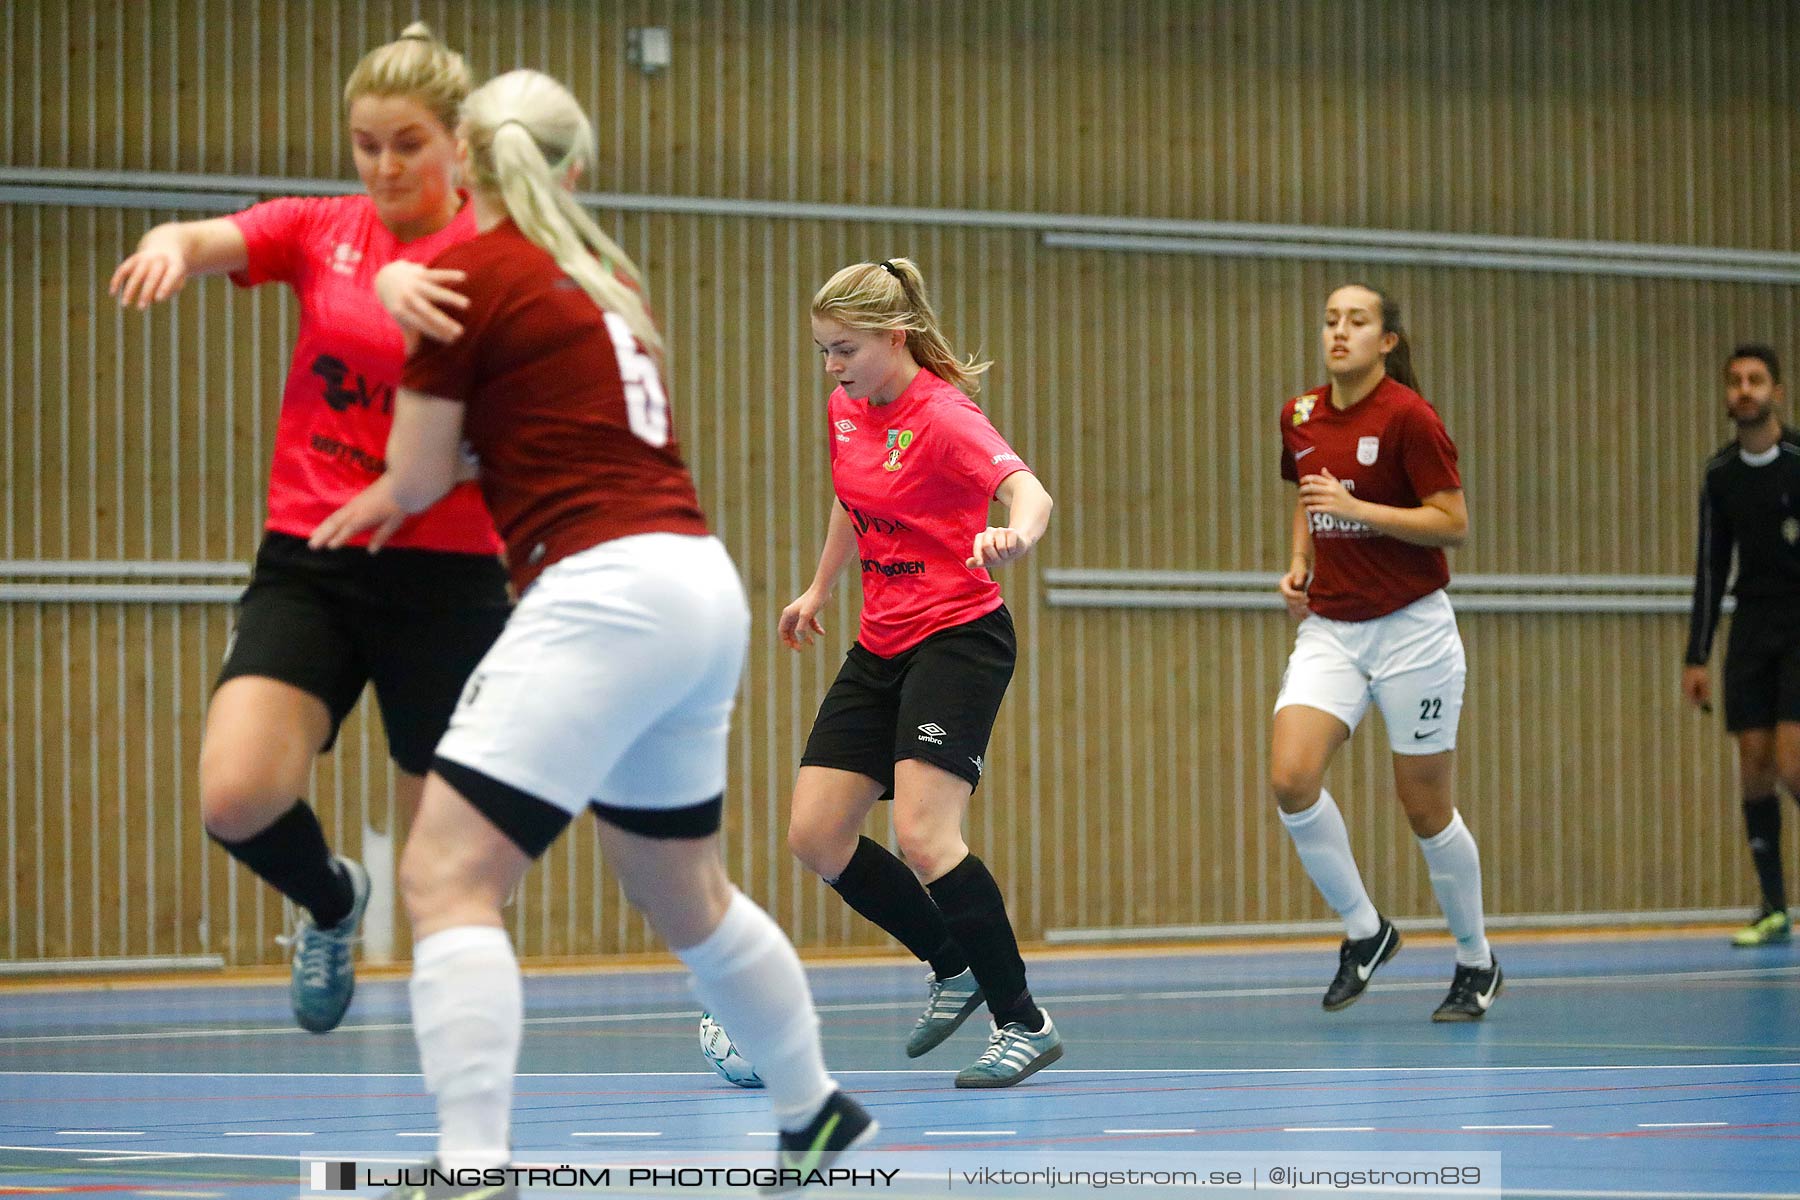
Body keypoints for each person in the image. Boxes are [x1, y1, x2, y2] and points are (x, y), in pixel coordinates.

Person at [310, 68, 874, 1190]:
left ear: (466, 161)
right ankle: (812, 1110)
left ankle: (472, 1165)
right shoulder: (607, 281)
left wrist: (379, 488)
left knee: (447, 876)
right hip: (696, 584)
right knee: (685, 893)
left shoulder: (464, 275)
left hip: (601, 589)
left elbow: (419, 472)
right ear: (576, 165)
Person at [106, 24, 509, 1034]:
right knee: (235, 797)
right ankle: (330, 901)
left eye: (407, 143)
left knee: (448, 878)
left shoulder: (501, 254)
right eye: (366, 143)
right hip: (314, 558)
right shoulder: (325, 229)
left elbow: (529, 413)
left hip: (449, 577)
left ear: (459, 143)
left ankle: (462, 1116)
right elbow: (209, 240)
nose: (383, 166)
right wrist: (168, 245)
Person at [781, 258, 1062, 1087]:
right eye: (825, 351)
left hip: (959, 638)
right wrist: (820, 584)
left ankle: (1025, 1020)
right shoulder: (848, 406)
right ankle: (953, 965)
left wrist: (1018, 534)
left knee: (925, 836)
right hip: (881, 642)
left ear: (893, 337)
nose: (833, 368)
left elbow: (1029, 490)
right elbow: (850, 496)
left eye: (845, 350)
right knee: (818, 836)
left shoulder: (944, 415)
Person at [1271, 283, 1501, 1022]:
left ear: (1387, 341)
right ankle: (1366, 931)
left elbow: (1452, 522)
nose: (1340, 332)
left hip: (1412, 630)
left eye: (1357, 321)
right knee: (1291, 777)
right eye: (1331, 319)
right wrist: (1300, 560)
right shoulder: (1301, 414)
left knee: (1425, 806)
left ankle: (1476, 960)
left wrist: (1358, 509)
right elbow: (1308, 497)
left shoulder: (1410, 418)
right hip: (1333, 628)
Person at [1682, 345, 1798, 947]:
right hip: (1752, 627)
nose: (1744, 390)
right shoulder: (1720, 474)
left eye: (1755, 380)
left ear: (1776, 391)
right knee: (1753, 763)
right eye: (1735, 381)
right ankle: (1774, 906)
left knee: (1792, 759)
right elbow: (1710, 567)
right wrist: (1696, 655)